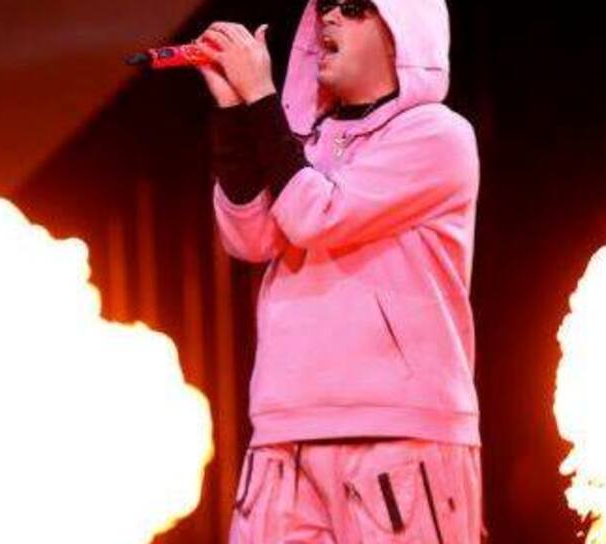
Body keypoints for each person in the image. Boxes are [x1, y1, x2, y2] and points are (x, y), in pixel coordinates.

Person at [197, 0, 482, 541]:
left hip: (398, 433)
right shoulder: (305, 141)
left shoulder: (438, 135)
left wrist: (260, 98)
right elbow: (249, 237)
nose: (329, 18)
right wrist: (234, 113)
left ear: (402, 32)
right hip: (284, 430)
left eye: (352, 8)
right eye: (325, 6)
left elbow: (317, 215)